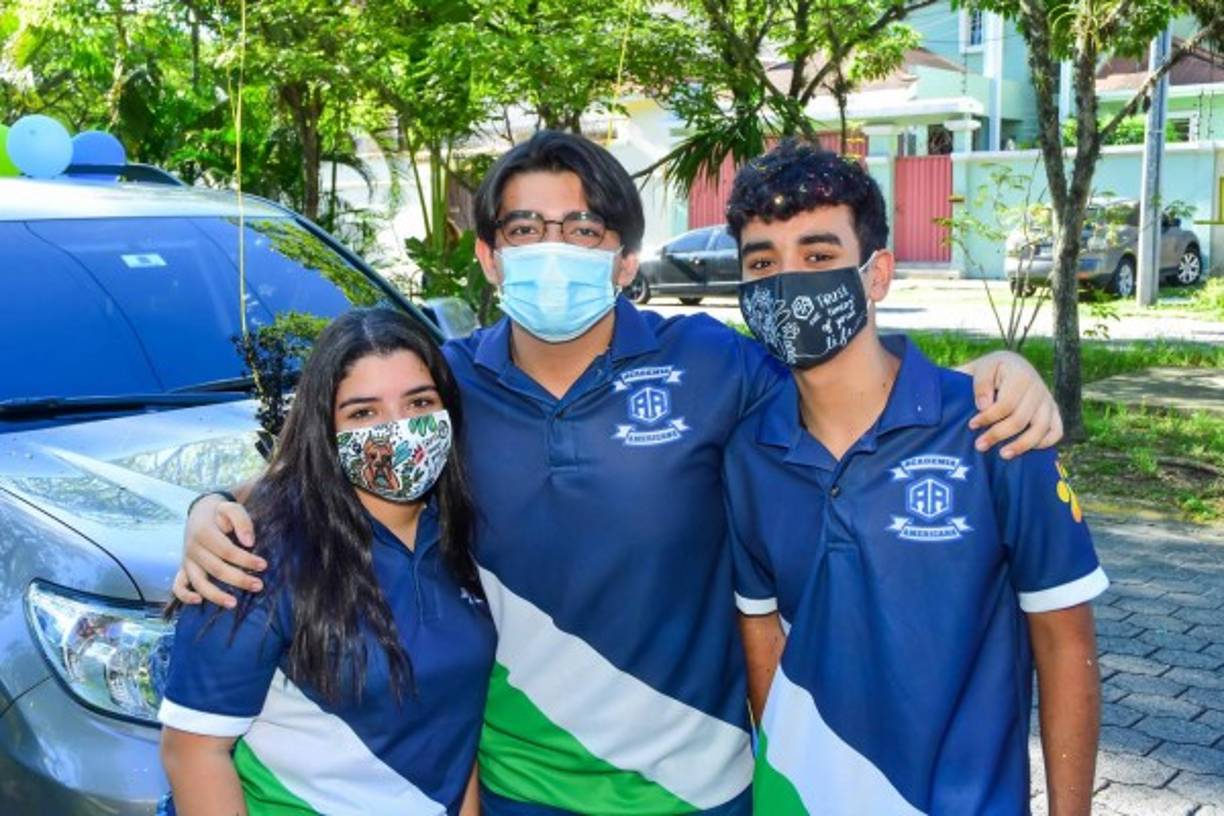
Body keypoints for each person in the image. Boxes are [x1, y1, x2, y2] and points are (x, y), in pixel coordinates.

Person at [173, 132, 1065, 816]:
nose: (551, 247)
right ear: (488, 257)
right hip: (517, 784)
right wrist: (215, 511)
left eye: (582, 229)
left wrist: (991, 373)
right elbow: (332, 458)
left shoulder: (712, 365)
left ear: (625, 260)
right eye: (525, 229)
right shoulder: (444, 384)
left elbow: (845, 385)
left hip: (701, 784)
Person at [723, 140, 1105, 815]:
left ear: (876, 275)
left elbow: (1064, 643)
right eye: (762, 263)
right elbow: (763, 637)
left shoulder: (995, 429)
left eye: (818, 257)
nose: (788, 283)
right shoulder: (750, 452)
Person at [159, 309, 494, 816]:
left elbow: (457, 727)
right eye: (364, 413)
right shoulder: (253, 557)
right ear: (326, 426)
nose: (399, 430)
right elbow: (193, 752)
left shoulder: (465, 534)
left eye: (419, 402)